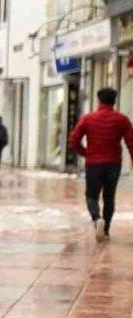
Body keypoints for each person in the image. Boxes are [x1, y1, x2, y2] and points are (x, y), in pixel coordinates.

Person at [69, 87, 133, 242]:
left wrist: (85, 153)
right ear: (114, 101)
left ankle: (97, 219)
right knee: (109, 197)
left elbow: (73, 140)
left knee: (91, 196)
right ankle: (106, 230)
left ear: (99, 100)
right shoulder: (122, 119)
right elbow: (131, 143)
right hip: (113, 164)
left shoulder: (88, 118)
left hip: (94, 164)